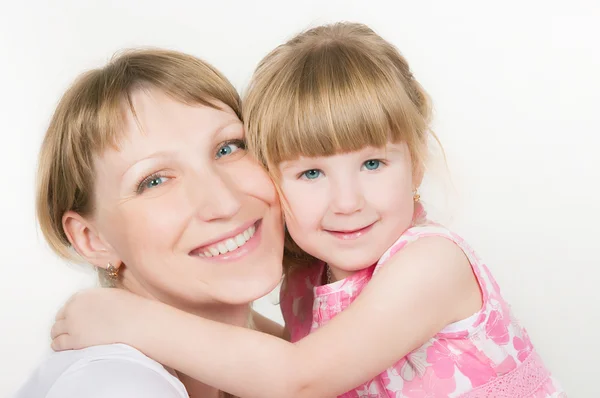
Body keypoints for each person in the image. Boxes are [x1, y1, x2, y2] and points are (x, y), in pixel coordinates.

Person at [51, 23, 566, 397]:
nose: (348, 201)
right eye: (311, 173)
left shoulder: (430, 264)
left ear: (416, 163)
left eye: (372, 163)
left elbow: (300, 378)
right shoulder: (306, 280)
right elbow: (278, 358)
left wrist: (132, 318)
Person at [15, 48, 286, 398]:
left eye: (228, 148)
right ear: (92, 239)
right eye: (155, 181)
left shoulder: (271, 359)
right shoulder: (116, 385)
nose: (225, 201)